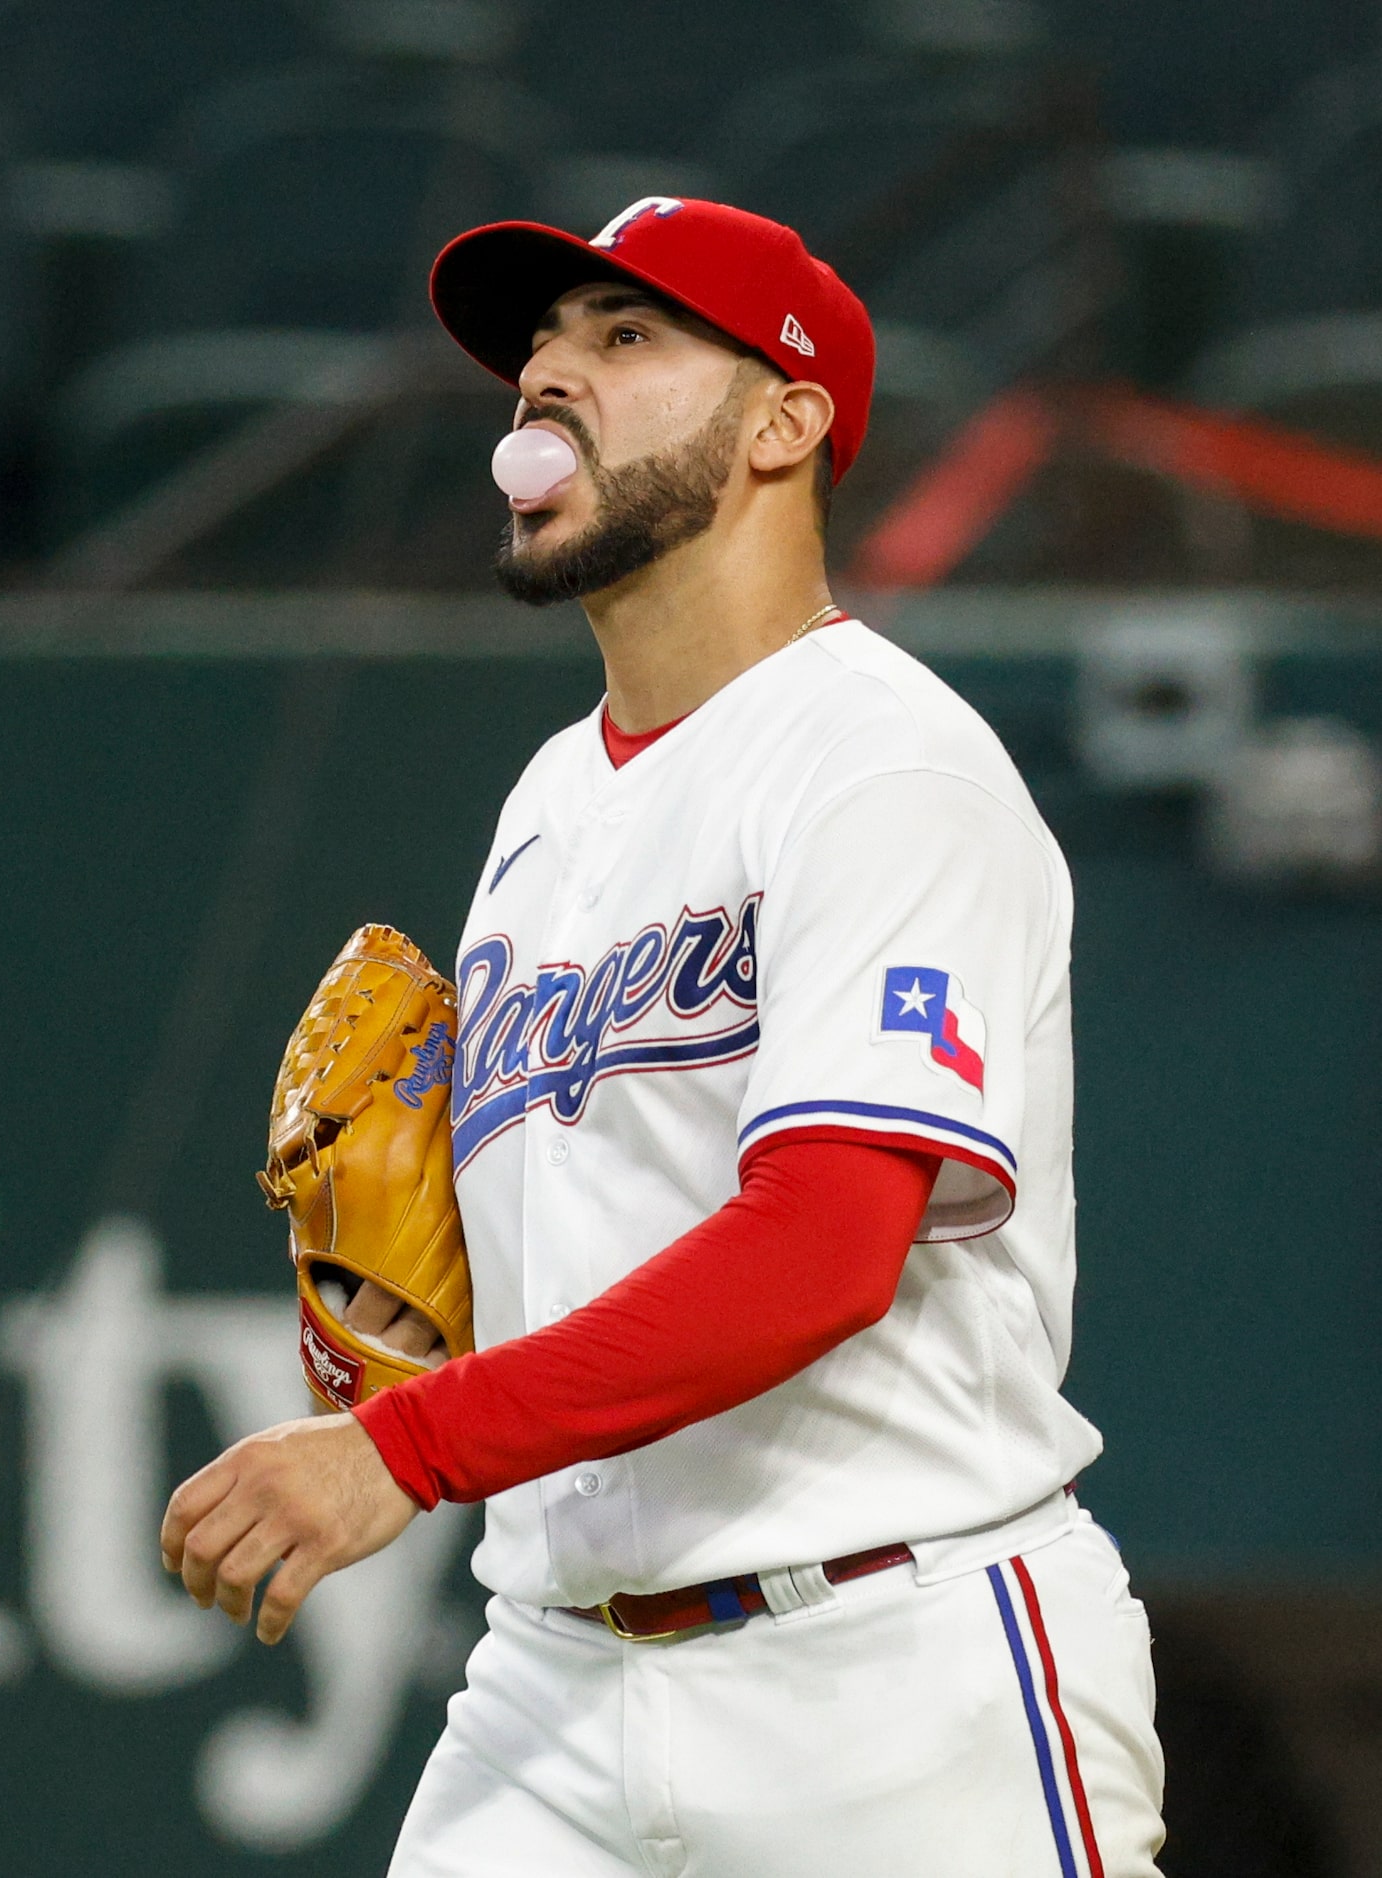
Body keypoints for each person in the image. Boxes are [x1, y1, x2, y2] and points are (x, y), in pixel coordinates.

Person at [162, 197, 1165, 1876]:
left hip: (891, 1678)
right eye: (537, 349)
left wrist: (402, 1446)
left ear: (787, 421)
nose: (547, 377)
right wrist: (395, 1326)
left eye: (624, 338)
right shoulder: (551, 800)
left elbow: (822, 1250)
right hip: (551, 1676)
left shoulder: (882, 763)